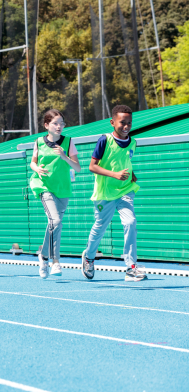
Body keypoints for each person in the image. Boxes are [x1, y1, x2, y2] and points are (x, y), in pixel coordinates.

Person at [81, 105, 145, 282]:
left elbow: (124, 160)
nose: (126, 126)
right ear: (112, 122)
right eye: (122, 122)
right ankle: (89, 257)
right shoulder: (104, 140)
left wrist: (131, 174)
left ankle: (131, 267)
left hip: (125, 191)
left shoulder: (133, 142)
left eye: (129, 123)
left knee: (130, 222)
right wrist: (114, 174)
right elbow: (92, 166)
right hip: (105, 193)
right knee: (100, 226)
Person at [29, 109, 81, 278]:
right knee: (56, 221)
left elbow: (77, 168)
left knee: (54, 225)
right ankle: (55, 262)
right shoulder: (38, 142)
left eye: (62, 123)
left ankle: (43, 255)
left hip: (63, 189)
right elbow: (33, 163)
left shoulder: (68, 142)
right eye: (55, 123)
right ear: (47, 125)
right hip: (44, 186)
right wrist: (37, 169)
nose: (59, 127)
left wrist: (65, 157)